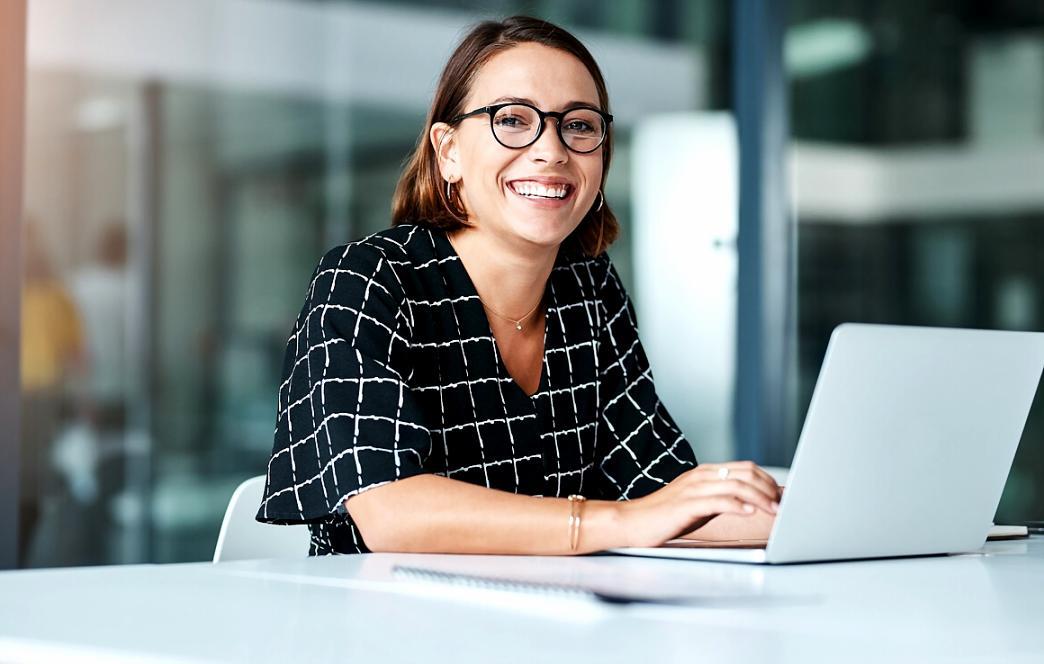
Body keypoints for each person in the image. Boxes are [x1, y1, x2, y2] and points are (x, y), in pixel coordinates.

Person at [257, 16, 781, 555]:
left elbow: (658, 494)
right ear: (449, 151)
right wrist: (620, 523)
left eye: (578, 125)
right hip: (383, 625)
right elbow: (389, 511)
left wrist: (797, 515)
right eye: (512, 119)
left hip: (558, 621)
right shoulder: (366, 280)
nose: (551, 150)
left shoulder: (589, 289)